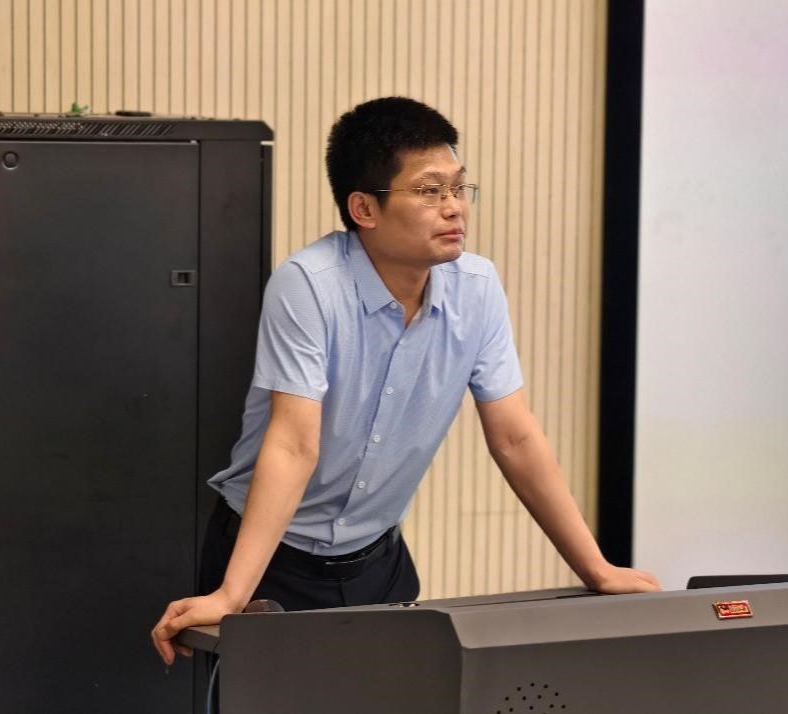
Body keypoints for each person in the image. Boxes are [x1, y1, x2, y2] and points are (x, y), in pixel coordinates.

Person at [150, 96, 659, 666]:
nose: (454, 208)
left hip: (379, 561)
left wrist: (596, 568)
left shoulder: (477, 288)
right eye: (429, 190)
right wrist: (231, 595)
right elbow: (294, 443)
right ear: (364, 208)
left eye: (458, 188)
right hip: (269, 562)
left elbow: (516, 437)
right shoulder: (309, 284)